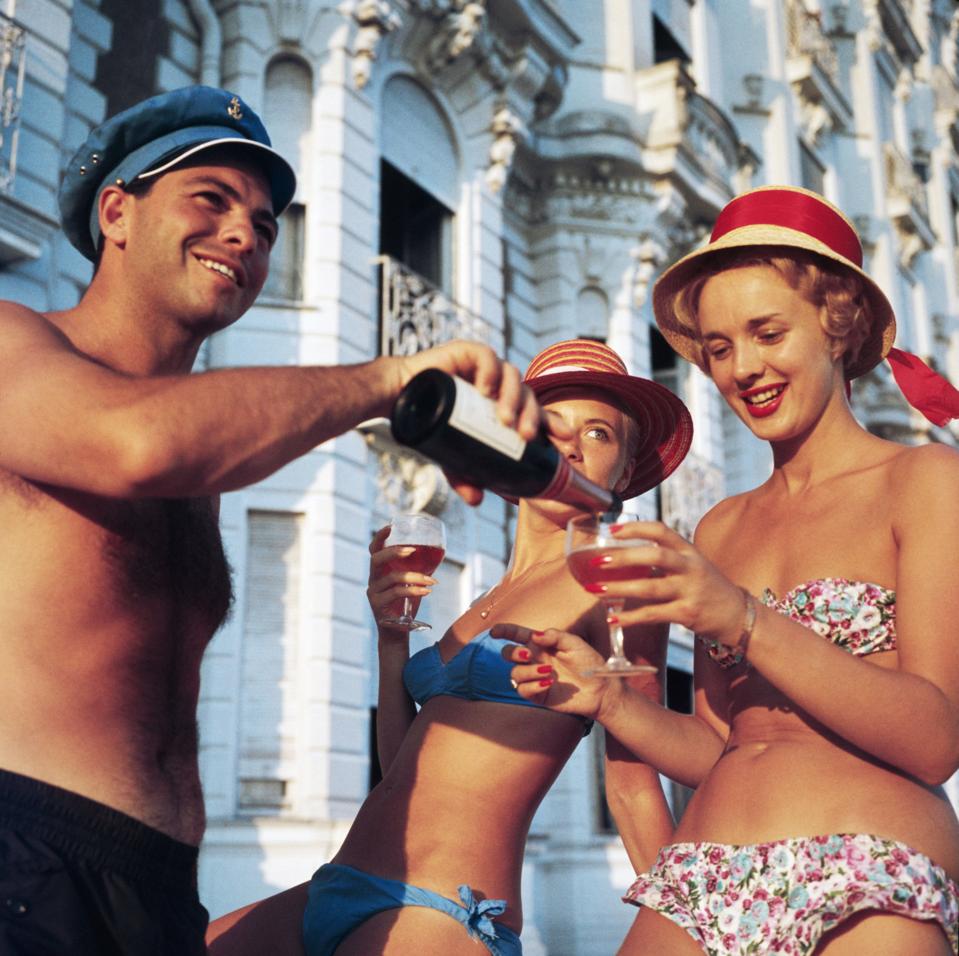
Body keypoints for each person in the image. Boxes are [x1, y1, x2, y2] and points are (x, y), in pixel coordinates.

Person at [0, 84, 550, 955]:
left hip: (156, 888)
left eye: (264, 224)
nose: (243, 236)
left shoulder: (206, 451)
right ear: (116, 212)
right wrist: (390, 384)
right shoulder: (16, 340)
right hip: (25, 860)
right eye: (210, 200)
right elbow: (134, 445)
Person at [503, 186, 959, 955]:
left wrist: (740, 619)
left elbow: (934, 739)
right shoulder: (720, 525)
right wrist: (608, 702)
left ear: (837, 325)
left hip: (866, 870)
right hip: (701, 880)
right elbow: (717, 746)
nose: (743, 367)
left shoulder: (923, 481)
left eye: (766, 332)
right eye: (717, 348)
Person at [205, 339, 694, 955]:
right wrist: (391, 644)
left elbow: (632, 787)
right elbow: (403, 769)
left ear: (625, 471)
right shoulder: (479, 602)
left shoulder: (615, 582)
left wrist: (689, 932)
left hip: (441, 911)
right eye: (548, 427)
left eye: (598, 434)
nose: (568, 445)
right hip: (339, 884)